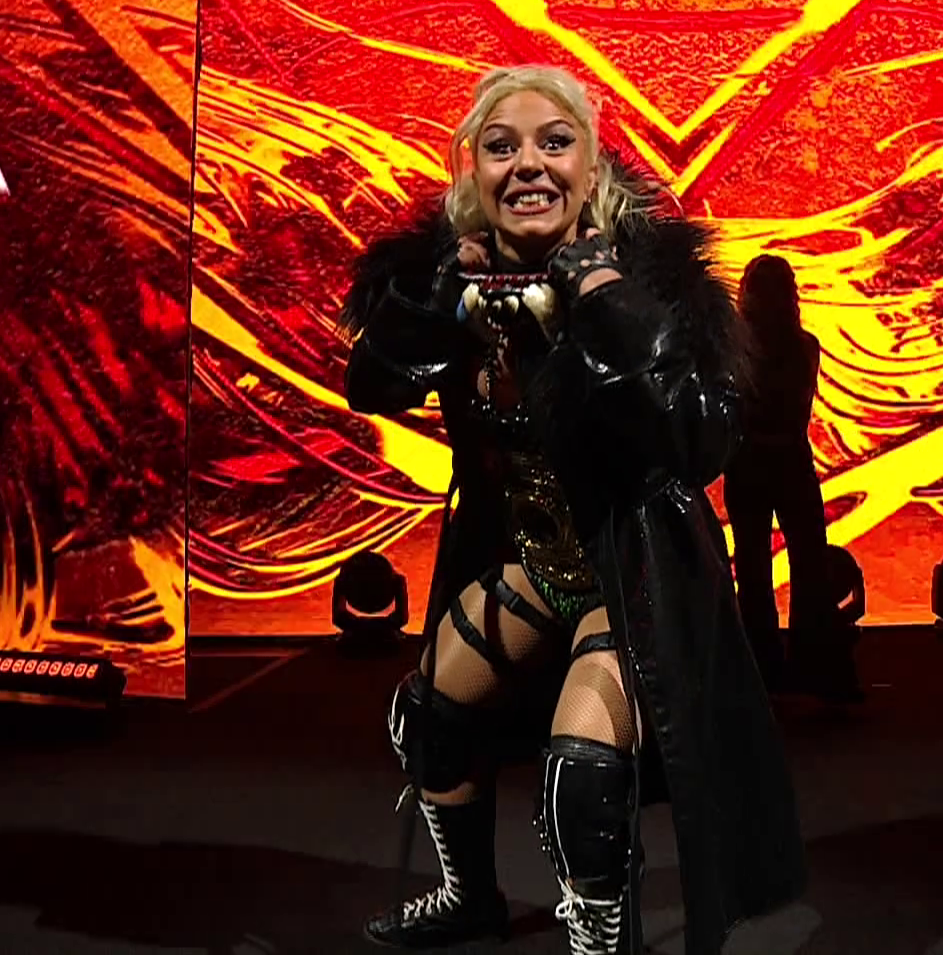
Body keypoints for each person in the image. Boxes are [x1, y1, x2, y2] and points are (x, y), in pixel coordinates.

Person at [339, 65, 805, 955]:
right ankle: (469, 897)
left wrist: (602, 300)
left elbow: (700, 439)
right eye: (502, 146)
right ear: (474, 170)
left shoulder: (656, 281)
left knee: (580, 774)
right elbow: (373, 385)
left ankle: (600, 944)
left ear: (591, 168)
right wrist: (435, 304)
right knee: (427, 716)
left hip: (634, 576)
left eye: (555, 143)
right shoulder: (460, 281)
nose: (529, 165)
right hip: (537, 565)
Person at [724, 255, 859, 701]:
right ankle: (811, 661)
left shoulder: (737, 352)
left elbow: (738, 411)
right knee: (806, 564)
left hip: (749, 464)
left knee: (755, 570)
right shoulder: (805, 347)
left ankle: (764, 667)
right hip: (790, 463)